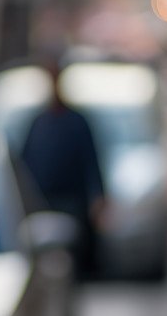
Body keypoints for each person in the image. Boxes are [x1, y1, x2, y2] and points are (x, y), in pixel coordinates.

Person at [20, 60, 105, 275]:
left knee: (72, 257)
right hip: (44, 201)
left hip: (72, 201)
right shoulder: (38, 122)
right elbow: (26, 162)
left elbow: (91, 160)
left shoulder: (76, 122)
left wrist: (99, 198)